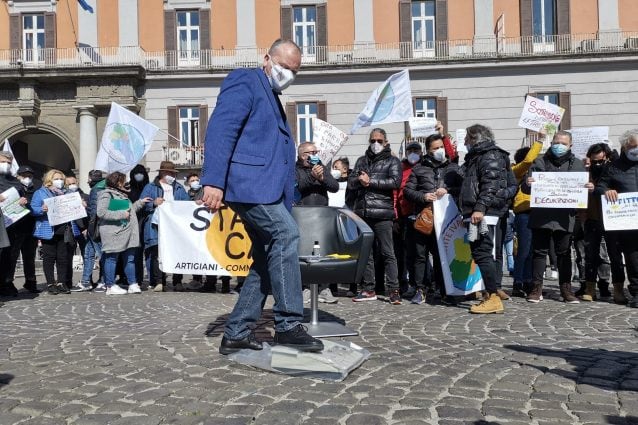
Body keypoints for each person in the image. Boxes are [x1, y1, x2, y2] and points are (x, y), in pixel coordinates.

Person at [200, 39, 324, 355]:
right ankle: (287, 325)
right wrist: (213, 181)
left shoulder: (272, 95)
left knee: (266, 262)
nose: (288, 74)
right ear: (267, 58)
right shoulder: (245, 81)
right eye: (284, 66)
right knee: (286, 234)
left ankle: (238, 332)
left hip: (266, 190)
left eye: (294, 71)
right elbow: (221, 129)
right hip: (248, 185)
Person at [526, 130, 587, 304]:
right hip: (541, 215)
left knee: (564, 253)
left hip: (565, 217)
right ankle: (536, 288)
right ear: (551, 143)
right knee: (539, 252)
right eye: (556, 142)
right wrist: (527, 183)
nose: (559, 146)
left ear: (570, 145)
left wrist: (587, 187)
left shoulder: (577, 164)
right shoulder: (539, 161)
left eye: (563, 143)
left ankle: (566, 289)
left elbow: (582, 190)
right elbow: (525, 188)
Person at [459, 124, 510, 314]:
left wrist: (479, 208)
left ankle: (493, 297)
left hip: (483, 213)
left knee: (483, 253)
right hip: (477, 211)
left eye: (466, 138)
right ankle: (491, 295)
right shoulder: (477, 157)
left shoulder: (489, 155)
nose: (464, 142)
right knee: (480, 253)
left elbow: (490, 185)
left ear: (475, 138)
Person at [403, 133, 460, 305]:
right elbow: (407, 191)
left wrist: (448, 190)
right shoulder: (419, 168)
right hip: (424, 219)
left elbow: (462, 189)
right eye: (435, 148)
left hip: (445, 220)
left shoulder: (453, 168)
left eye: (441, 147)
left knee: (442, 255)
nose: (439, 151)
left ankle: (444, 290)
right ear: (428, 150)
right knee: (420, 256)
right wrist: (423, 196)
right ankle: (421, 289)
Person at [349, 128, 402, 304]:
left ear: (386, 142)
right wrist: (359, 181)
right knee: (367, 253)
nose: (376, 144)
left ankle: (394, 289)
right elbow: (351, 182)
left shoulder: (392, 161)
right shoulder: (361, 161)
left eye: (379, 140)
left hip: (382, 213)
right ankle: (368, 288)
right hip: (363, 212)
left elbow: (395, 182)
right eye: (372, 140)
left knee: (388, 252)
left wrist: (370, 181)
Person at [595, 129, 638, 308]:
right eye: (633, 147)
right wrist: (607, 191)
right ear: (625, 146)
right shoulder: (613, 166)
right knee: (633, 257)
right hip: (627, 220)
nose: (636, 150)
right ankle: (636, 292)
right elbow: (600, 186)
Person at [140, 160, 190, 292]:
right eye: (169, 173)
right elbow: (141, 205)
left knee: (177, 252)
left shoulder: (179, 188)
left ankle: (177, 281)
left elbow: (187, 204)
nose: (171, 175)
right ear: (162, 173)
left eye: (173, 173)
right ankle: (159, 281)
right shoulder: (150, 187)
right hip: (156, 226)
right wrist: (153, 203)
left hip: (174, 226)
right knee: (157, 253)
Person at [96, 172, 150, 295]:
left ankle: (133, 283)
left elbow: (129, 211)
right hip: (114, 232)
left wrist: (140, 202)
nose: (126, 183)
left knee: (130, 259)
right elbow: (101, 212)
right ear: (117, 182)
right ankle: (110, 285)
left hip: (127, 232)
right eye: (123, 181)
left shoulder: (121, 195)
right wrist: (121, 214)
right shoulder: (107, 194)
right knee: (111, 258)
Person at [31, 169, 81, 295]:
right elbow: (33, 209)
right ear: (49, 179)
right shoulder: (40, 192)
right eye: (56, 178)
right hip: (48, 229)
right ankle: (50, 283)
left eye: (61, 179)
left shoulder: (66, 193)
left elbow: (75, 208)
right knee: (49, 257)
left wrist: (80, 205)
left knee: (63, 258)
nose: (59, 181)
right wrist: (41, 209)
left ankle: (61, 282)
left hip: (64, 229)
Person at [579, 143, 613, 301]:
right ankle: (589, 287)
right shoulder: (585, 173)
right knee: (590, 255)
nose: (597, 164)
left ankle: (605, 284)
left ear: (606, 157)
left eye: (600, 160)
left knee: (605, 254)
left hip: (610, 218)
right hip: (591, 218)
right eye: (594, 161)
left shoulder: (613, 171)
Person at [511, 137, 544, 297]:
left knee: (533, 251)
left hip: (538, 213)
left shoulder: (538, 173)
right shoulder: (517, 171)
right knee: (524, 250)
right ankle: (519, 281)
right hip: (524, 214)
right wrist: (541, 140)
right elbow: (528, 160)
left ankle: (529, 280)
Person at [1, 164, 39, 295]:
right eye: (24, 176)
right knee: (12, 256)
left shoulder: (36, 189)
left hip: (31, 227)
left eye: (29, 176)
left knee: (30, 256)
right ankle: (8, 282)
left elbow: (36, 205)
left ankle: (31, 281)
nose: (27, 178)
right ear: (18, 176)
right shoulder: (12, 187)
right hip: (15, 227)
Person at [395, 141, 422, 299]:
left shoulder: (425, 165)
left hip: (424, 213)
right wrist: (396, 217)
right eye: (410, 150)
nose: (413, 153)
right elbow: (396, 193)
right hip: (406, 215)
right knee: (409, 253)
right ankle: (412, 284)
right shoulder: (401, 167)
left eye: (416, 150)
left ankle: (425, 284)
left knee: (422, 253)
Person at [0, 152, 29, 296]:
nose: (6, 164)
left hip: (13, 225)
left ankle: (6, 281)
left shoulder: (15, 182)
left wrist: (23, 201)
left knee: (10, 255)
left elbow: (22, 198)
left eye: (9, 162)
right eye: (3, 161)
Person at [74, 170, 106, 292]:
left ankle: (104, 281)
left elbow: (95, 212)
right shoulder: (103, 188)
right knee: (88, 253)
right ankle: (86, 281)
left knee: (100, 254)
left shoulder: (95, 190)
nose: (87, 181)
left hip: (95, 228)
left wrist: (85, 207)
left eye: (88, 178)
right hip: (97, 226)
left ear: (92, 179)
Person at [128, 164, 150, 287]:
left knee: (148, 251)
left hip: (146, 222)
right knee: (134, 252)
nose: (139, 175)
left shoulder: (149, 187)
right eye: (136, 173)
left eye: (141, 172)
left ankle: (149, 278)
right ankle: (135, 278)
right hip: (132, 222)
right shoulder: (128, 188)